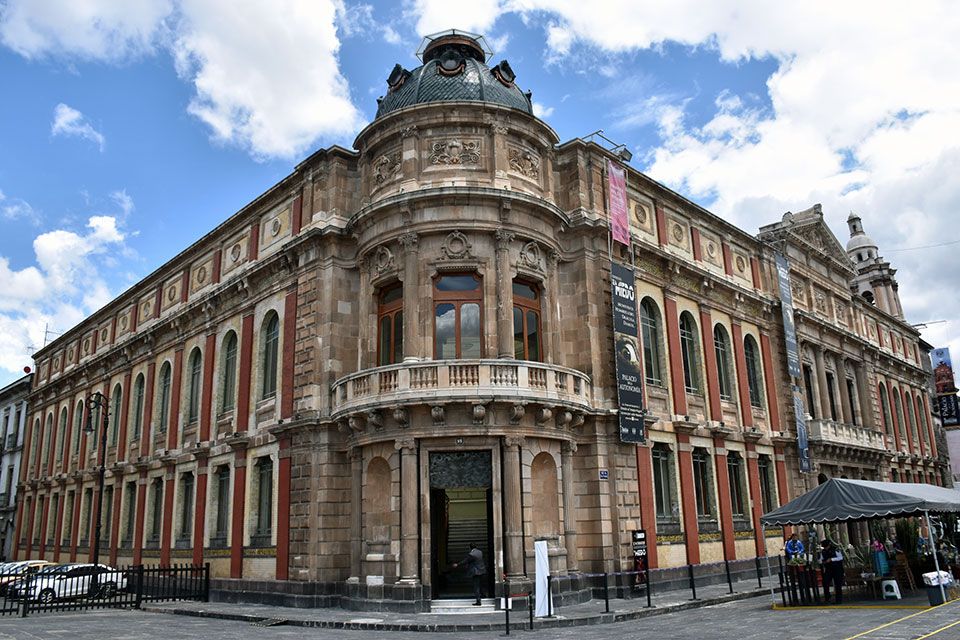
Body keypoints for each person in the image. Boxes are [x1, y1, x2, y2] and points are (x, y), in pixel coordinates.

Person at [821, 539, 845, 604]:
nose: (825, 548)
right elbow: (821, 559)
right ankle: (827, 598)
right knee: (825, 582)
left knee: (838, 584)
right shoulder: (823, 551)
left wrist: (832, 559)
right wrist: (822, 561)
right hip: (829, 569)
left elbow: (840, 557)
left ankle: (838, 600)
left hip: (837, 569)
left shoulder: (836, 549)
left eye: (826, 546)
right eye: (824, 547)